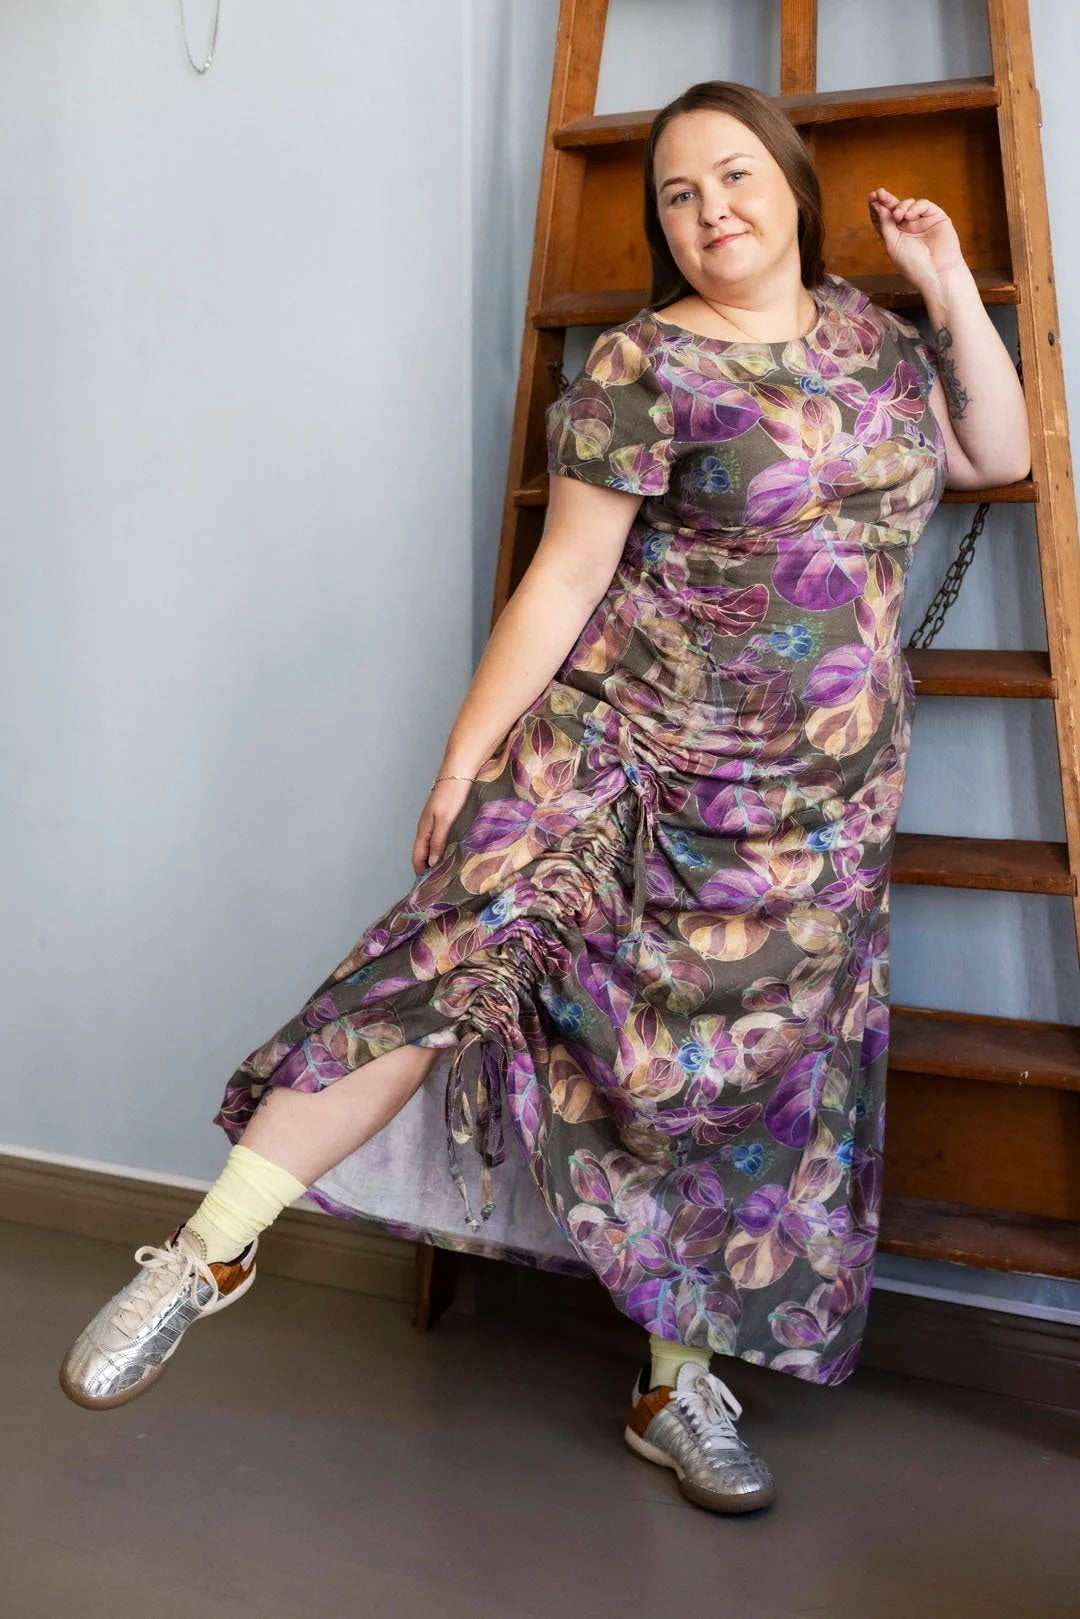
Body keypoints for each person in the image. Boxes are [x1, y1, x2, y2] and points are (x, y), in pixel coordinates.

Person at [58, 78, 1029, 1515]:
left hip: (813, 815)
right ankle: (208, 1249)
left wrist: (946, 278)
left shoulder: (876, 345)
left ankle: (672, 1389)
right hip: (624, 753)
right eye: (680, 197)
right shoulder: (645, 364)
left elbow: (995, 456)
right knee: (441, 967)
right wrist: (463, 760)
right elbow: (567, 576)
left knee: (724, 1094)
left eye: (736, 178)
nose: (711, 214)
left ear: (795, 186)